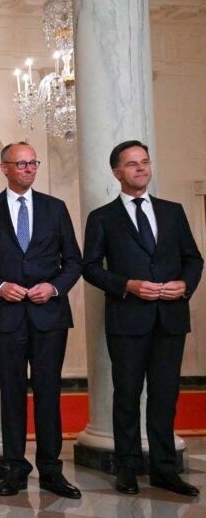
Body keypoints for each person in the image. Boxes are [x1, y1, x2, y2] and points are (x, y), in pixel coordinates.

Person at [82, 140, 203, 497]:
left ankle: (165, 469)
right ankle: (128, 469)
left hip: (170, 318)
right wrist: (127, 285)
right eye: (132, 164)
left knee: (165, 396)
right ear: (117, 172)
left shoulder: (173, 211)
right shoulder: (102, 217)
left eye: (145, 162)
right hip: (127, 319)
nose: (141, 168)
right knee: (127, 395)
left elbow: (193, 259)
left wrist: (185, 284)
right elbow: (90, 268)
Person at [0, 142, 83, 498]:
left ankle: (51, 471)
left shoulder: (55, 208)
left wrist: (54, 286)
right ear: (4, 168)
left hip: (49, 316)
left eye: (33, 163)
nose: (30, 169)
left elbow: (74, 262)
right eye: (21, 164)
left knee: (49, 393)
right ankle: (15, 469)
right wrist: (0, 287)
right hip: (5, 317)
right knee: (12, 393)